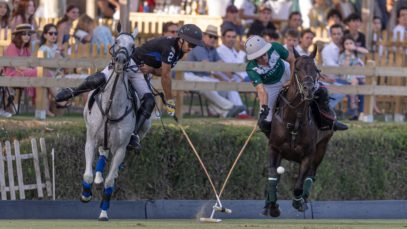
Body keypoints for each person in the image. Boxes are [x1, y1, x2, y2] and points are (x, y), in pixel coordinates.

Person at [55, 24, 205, 150]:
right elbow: (166, 76)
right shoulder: (170, 48)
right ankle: (72, 92)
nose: (192, 48)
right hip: (129, 62)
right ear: (181, 39)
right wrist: (170, 101)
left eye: (194, 45)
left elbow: (160, 72)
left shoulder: (179, 52)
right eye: (190, 44)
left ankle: (133, 135)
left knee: (149, 101)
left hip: (140, 71)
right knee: (100, 78)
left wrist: (152, 70)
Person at [244, 36, 347, 136]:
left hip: (287, 72)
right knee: (264, 122)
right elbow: (261, 90)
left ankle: (330, 121)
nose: (263, 59)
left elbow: (293, 60)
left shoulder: (275, 47)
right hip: (270, 86)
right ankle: (274, 141)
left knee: (320, 90)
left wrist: (291, 79)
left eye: (264, 55)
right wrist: (264, 108)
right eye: (258, 58)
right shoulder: (251, 68)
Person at [184, 25, 244, 118]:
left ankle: (224, 113)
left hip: (202, 77)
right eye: (210, 36)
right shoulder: (199, 46)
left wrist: (229, 77)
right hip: (188, 76)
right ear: (204, 36)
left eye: (215, 37)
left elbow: (222, 66)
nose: (213, 39)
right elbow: (209, 67)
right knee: (207, 85)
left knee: (224, 86)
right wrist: (225, 76)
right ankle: (230, 106)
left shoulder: (213, 49)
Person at [4, 23, 37, 111]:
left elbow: (32, 64)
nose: (27, 36)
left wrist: (33, 68)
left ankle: (40, 104)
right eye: (24, 34)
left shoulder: (26, 49)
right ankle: (37, 103)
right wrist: (33, 70)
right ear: (18, 35)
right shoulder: (12, 47)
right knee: (39, 73)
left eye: (29, 34)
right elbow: (18, 66)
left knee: (42, 73)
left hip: (23, 73)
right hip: (11, 75)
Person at [338, 35, 368, 120]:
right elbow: (344, 68)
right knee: (354, 81)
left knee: (363, 83)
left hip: (358, 76)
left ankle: (361, 111)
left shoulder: (356, 53)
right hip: (347, 76)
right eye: (346, 43)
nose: (349, 45)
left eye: (350, 43)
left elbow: (366, 51)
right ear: (344, 46)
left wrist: (355, 48)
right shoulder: (343, 55)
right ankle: (353, 106)